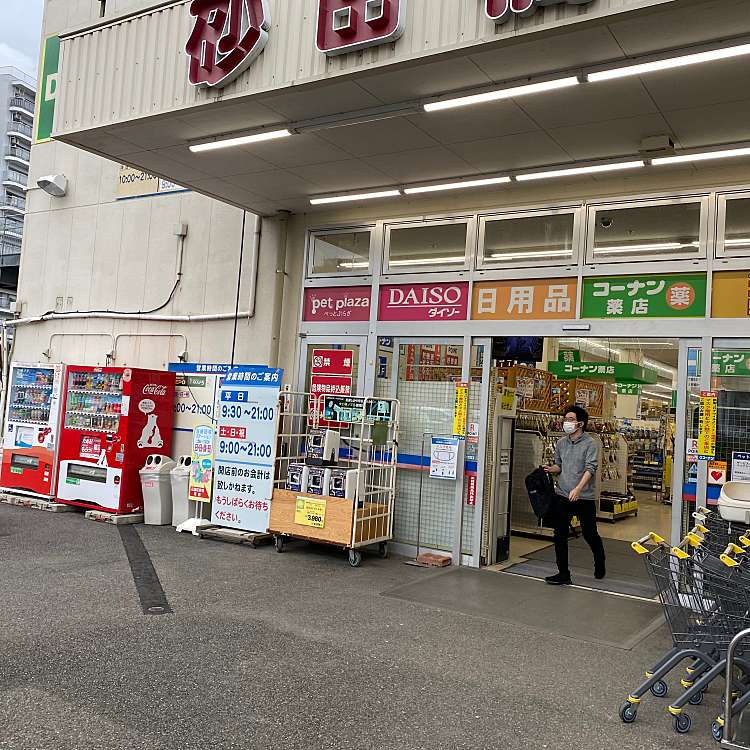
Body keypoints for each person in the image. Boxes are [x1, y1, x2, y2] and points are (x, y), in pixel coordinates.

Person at [543, 405, 606, 585]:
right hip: (562, 495)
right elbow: (559, 466)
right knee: (559, 534)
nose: (566, 422)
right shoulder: (562, 443)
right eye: (566, 419)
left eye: (570, 419)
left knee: (589, 533)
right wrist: (549, 469)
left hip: (583, 497)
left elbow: (591, 468)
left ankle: (599, 561)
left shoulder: (590, 444)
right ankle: (563, 573)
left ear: (580, 423)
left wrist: (578, 489)